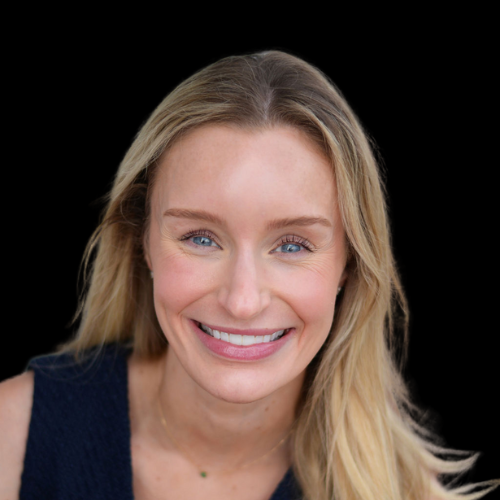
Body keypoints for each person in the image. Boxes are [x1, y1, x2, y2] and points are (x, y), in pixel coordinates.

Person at [0, 50, 497, 500]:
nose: (242, 301)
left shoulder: (403, 493)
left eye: (292, 244)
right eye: (200, 238)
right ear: (142, 242)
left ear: (349, 264)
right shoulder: (13, 433)